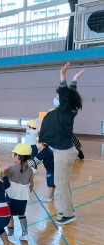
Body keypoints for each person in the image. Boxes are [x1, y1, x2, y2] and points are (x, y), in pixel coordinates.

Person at [39, 63, 83, 225]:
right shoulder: (70, 109)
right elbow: (70, 95)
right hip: (64, 151)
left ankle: (68, 214)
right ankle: (69, 208)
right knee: (63, 182)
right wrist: (74, 80)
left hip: (64, 153)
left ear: (64, 101)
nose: (56, 99)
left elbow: (66, 95)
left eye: (58, 97)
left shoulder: (66, 111)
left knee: (61, 183)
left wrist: (63, 79)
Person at [4, 143, 34, 242]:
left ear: (17, 156)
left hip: (12, 194)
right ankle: (25, 234)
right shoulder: (30, 170)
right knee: (22, 214)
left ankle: (11, 235)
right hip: (23, 195)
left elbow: (5, 182)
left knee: (10, 215)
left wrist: (3, 173)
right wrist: (28, 192)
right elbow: (31, 184)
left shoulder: (11, 168)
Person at [27, 138, 55, 203]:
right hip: (52, 169)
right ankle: (51, 196)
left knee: (51, 184)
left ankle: (49, 197)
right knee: (52, 183)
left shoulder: (45, 152)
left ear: (41, 144)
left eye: (37, 142)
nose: (35, 143)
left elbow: (34, 162)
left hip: (51, 170)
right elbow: (38, 161)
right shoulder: (47, 150)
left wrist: (25, 163)